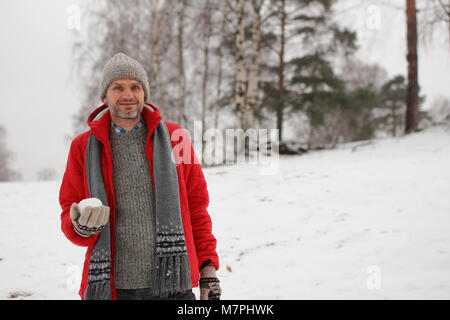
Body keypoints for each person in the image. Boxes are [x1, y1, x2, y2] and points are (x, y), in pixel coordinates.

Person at [59, 52, 221, 300]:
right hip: (115, 288)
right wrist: (80, 226)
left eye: (135, 87)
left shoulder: (177, 138)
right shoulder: (82, 147)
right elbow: (68, 212)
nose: (128, 95)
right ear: (105, 96)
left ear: (144, 93)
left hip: (174, 285)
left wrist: (208, 269)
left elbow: (198, 209)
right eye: (118, 87)